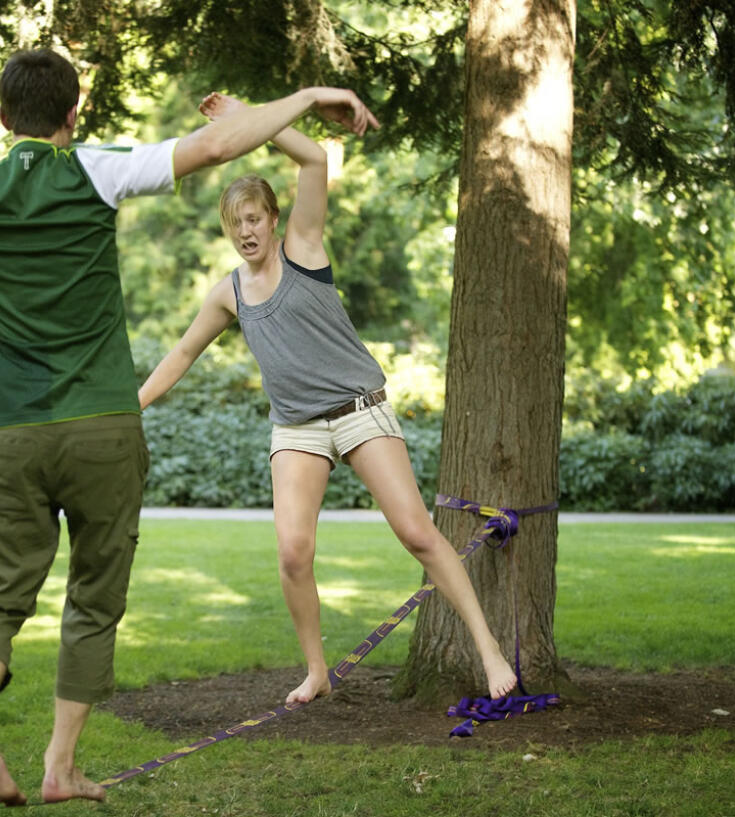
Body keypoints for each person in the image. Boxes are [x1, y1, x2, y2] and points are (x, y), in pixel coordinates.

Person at [0, 51, 378, 812]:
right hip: (102, 426)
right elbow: (221, 145)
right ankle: (60, 766)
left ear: (2, 118)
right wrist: (312, 93)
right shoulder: (97, 168)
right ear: (72, 115)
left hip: (11, 430)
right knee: (93, 599)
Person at [139, 93, 516, 707]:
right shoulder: (228, 294)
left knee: (417, 533)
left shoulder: (303, 250)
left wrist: (243, 119)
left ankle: (488, 647)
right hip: (296, 430)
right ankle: (317, 671)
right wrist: (135, 404)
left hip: (359, 409)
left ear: (272, 216)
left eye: (255, 218)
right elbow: (181, 356)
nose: (246, 232)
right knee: (292, 552)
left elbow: (314, 161)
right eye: (235, 225)